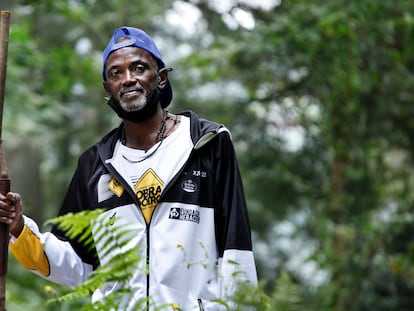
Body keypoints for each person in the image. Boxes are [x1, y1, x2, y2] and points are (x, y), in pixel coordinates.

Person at [0, 26, 258, 310]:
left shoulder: (206, 143)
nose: (128, 79)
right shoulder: (95, 164)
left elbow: (236, 251)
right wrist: (20, 228)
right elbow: (78, 266)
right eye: (115, 73)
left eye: (138, 68)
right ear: (106, 88)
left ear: (160, 78)